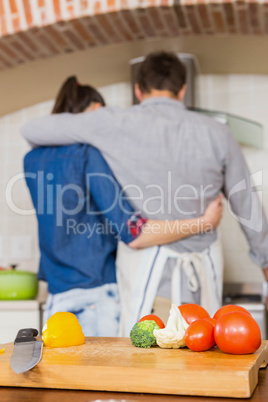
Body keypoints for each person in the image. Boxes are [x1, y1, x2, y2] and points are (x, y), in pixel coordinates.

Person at [22, 50, 268, 330]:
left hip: (147, 286)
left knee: (146, 364)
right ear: (182, 90)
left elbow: (32, 129)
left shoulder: (113, 123)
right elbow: (248, 207)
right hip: (203, 284)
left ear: (138, 90)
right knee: (202, 363)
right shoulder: (218, 133)